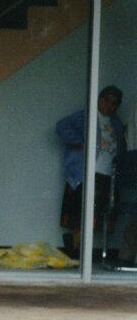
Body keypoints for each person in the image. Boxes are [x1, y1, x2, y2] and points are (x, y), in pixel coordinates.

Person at [56, 85, 126, 258]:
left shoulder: (116, 122)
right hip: (86, 172)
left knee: (98, 215)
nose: (111, 106)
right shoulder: (85, 116)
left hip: (107, 172)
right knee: (80, 214)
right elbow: (61, 126)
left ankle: (80, 250)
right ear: (100, 100)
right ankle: (75, 249)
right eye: (108, 101)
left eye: (115, 103)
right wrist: (80, 142)